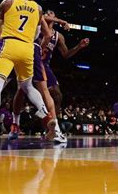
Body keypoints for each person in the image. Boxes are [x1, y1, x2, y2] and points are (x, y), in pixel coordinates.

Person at [0, 0, 55, 143]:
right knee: (28, 86)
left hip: (9, 45)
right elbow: (35, 35)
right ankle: (46, 115)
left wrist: (4, 34)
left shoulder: (7, 3)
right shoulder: (38, 10)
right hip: (27, 49)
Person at [9, 10, 89, 143]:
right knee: (21, 91)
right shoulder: (36, 25)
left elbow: (66, 55)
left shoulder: (58, 36)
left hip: (43, 65)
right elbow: (41, 16)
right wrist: (61, 20)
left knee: (57, 95)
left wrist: (79, 47)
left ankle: (51, 126)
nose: (49, 14)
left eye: (52, 13)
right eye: (48, 13)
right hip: (28, 59)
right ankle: (15, 123)